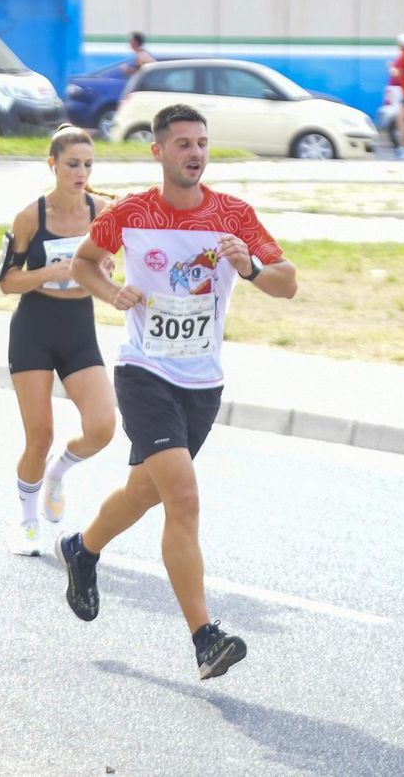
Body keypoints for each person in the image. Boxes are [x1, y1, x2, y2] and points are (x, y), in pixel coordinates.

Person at [56, 103, 297, 681]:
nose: (195, 153)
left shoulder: (233, 215)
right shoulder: (131, 213)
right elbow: (86, 262)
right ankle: (205, 637)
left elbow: (288, 282)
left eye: (202, 143)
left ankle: (82, 550)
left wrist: (253, 270)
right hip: (143, 374)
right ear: (158, 151)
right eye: (183, 143)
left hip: (202, 384)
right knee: (183, 498)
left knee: (145, 492)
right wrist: (110, 291)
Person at [0, 124, 118, 555]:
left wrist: (106, 275)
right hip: (34, 329)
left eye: (87, 164)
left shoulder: (104, 211)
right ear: (53, 165)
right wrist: (47, 273)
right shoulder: (30, 217)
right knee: (39, 435)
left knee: (103, 427)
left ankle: (57, 474)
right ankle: (27, 522)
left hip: (78, 328)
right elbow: (7, 282)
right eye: (71, 165)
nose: (80, 172)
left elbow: (112, 265)